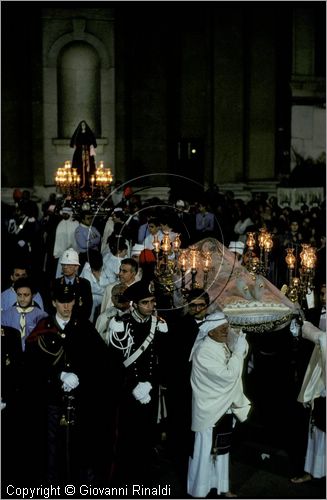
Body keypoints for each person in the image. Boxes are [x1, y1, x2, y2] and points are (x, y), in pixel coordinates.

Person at [23, 283, 112, 485]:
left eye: (69, 301)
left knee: (82, 448)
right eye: (62, 302)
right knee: (52, 449)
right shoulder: (43, 328)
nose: (66, 306)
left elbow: (101, 361)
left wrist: (80, 376)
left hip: (81, 400)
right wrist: (58, 375)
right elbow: (31, 365)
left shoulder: (84, 327)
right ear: (54, 303)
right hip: (53, 400)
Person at [107, 280, 168, 484]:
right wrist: (134, 386)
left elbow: (161, 359)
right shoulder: (121, 324)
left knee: (147, 437)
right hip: (128, 392)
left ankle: (144, 479)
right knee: (127, 439)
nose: (150, 306)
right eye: (145, 302)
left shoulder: (157, 324)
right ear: (134, 304)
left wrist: (152, 383)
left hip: (150, 391)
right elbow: (116, 364)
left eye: (152, 301)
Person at [188, 312, 251, 498]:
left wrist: (238, 340)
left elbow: (239, 348)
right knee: (205, 451)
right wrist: (238, 352)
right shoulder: (204, 351)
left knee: (222, 451)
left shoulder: (219, 344)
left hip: (222, 406)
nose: (226, 331)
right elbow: (228, 376)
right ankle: (200, 490)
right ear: (209, 332)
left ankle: (222, 487)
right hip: (209, 410)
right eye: (222, 329)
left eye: (226, 327)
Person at [166, 288, 211, 490]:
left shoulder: (215, 325)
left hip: (206, 389)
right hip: (183, 386)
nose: (197, 309)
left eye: (201, 305)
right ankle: (185, 475)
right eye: (193, 305)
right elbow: (174, 358)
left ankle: (203, 477)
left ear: (207, 306)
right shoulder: (178, 326)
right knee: (182, 433)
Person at [290, 319, 326, 484]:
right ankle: (312, 470)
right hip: (321, 387)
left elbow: (322, 338)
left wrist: (306, 326)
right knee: (316, 431)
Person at [1, 277, 48, 351]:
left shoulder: (42, 316)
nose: (22, 299)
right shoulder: (5, 315)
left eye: (26, 295)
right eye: (19, 295)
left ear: (33, 295)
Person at [54, 248, 93, 320]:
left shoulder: (84, 284)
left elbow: (87, 309)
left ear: (76, 267)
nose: (65, 267)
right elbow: (52, 307)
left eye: (69, 265)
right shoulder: (55, 284)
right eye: (63, 264)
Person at [70, 120, 97, 190]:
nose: (83, 126)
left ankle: (89, 183)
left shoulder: (88, 134)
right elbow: (73, 143)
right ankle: (79, 183)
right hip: (79, 154)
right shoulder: (78, 134)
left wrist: (90, 146)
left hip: (87, 154)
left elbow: (93, 143)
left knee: (88, 168)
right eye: (82, 125)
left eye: (84, 125)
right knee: (79, 168)